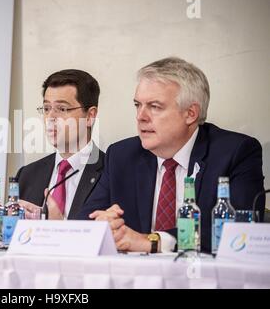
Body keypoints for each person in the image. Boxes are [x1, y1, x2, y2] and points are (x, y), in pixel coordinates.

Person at [78, 57, 265, 253]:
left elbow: (239, 230)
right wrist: (101, 224)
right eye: (137, 105)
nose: (140, 116)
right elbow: (84, 222)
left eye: (155, 106)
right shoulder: (121, 156)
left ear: (190, 114)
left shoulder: (235, 153)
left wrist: (153, 241)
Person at [16, 69, 105, 220]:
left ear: (90, 116)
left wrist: (58, 226)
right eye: (46, 109)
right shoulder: (27, 175)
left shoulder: (111, 173)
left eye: (62, 109)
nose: (50, 117)